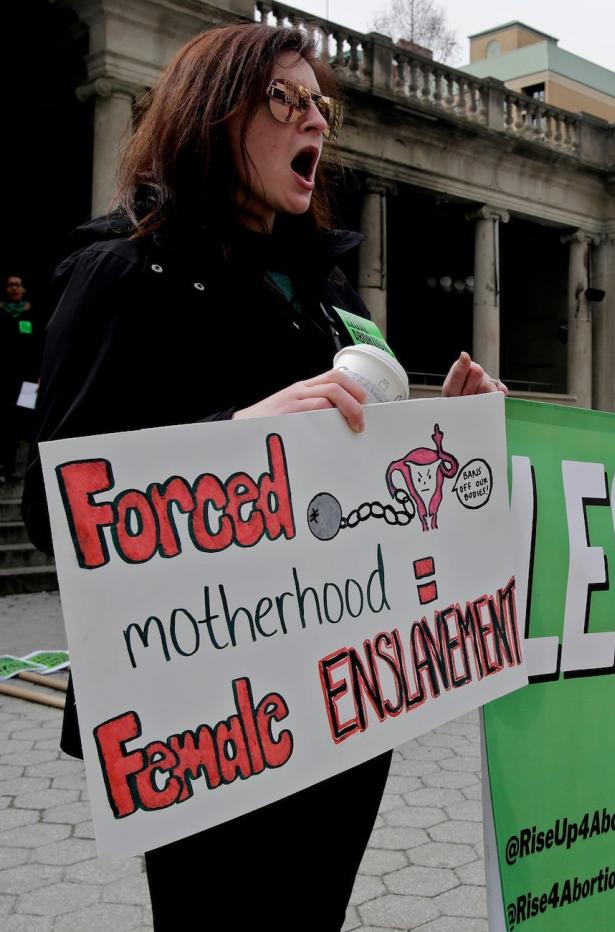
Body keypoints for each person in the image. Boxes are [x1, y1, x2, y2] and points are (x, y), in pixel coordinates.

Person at [21, 24, 502, 929]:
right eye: (287, 98)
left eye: (321, 103)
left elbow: (372, 469)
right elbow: (58, 506)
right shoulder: (122, 272)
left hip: (337, 687)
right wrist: (233, 438)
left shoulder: (332, 293)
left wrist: (451, 428)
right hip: (205, 710)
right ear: (214, 114)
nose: (314, 117)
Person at [1, 274, 39, 482]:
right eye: (10, 285)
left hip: (27, 382)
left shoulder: (32, 314)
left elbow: (39, 346)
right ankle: (7, 468)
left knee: (26, 423)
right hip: (5, 380)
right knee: (7, 425)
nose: (14, 288)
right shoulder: (1, 313)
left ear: (24, 289)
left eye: (18, 285)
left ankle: (28, 472)